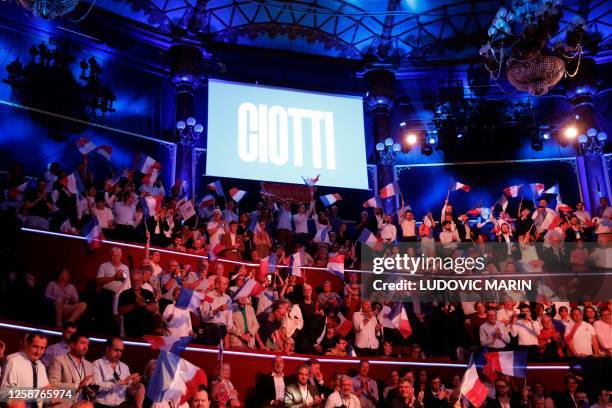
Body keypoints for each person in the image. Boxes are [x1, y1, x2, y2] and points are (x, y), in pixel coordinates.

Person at [92, 337, 144, 408]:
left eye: (121, 351)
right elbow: (96, 387)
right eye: (116, 350)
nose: (119, 354)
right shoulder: (97, 364)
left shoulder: (124, 367)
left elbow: (130, 391)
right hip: (102, 405)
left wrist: (133, 385)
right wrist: (118, 383)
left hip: (121, 406)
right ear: (107, 349)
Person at [48, 332, 95, 408]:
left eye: (87, 344)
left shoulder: (89, 365)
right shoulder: (59, 360)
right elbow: (53, 385)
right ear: (72, 344)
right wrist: (78, 386)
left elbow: (91, 393)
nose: (86, 347)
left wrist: (91, 390)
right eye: (82, 343)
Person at [96, 247, 130, 334]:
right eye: (113, 255)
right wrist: (114, 277)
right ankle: (103, 333)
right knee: (104, 302)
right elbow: (99, 281)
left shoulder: (125, 267)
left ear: (121, 256)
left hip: (121, 294)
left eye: (118, 255)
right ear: (110, 256)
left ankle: (118, 334)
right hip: (107, 293)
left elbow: (127, 280)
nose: (115, 257)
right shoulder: (104, 265)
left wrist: (122, 277)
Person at [118, 269, 162, 337]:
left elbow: (155, 308)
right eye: (133, 280)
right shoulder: (124, 294)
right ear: (130, 280)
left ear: (141, 280)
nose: (135, 283)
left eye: (138, 280)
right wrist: (134, 305)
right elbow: (120, 310)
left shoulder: (148, 293)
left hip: (147, 330)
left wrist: (144, 305)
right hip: (131, 329)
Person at [199, 276, 233, 347]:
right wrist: (217, 310)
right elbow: (204, 317)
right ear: (217, 284)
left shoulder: (228, 298)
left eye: (226, 284)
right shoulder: (208, 296)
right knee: (209, 355)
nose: (226, 287)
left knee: (220, 356)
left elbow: (229, 319)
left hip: (222, 331)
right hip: (210, 330)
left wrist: (227, 337)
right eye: (224, 284)